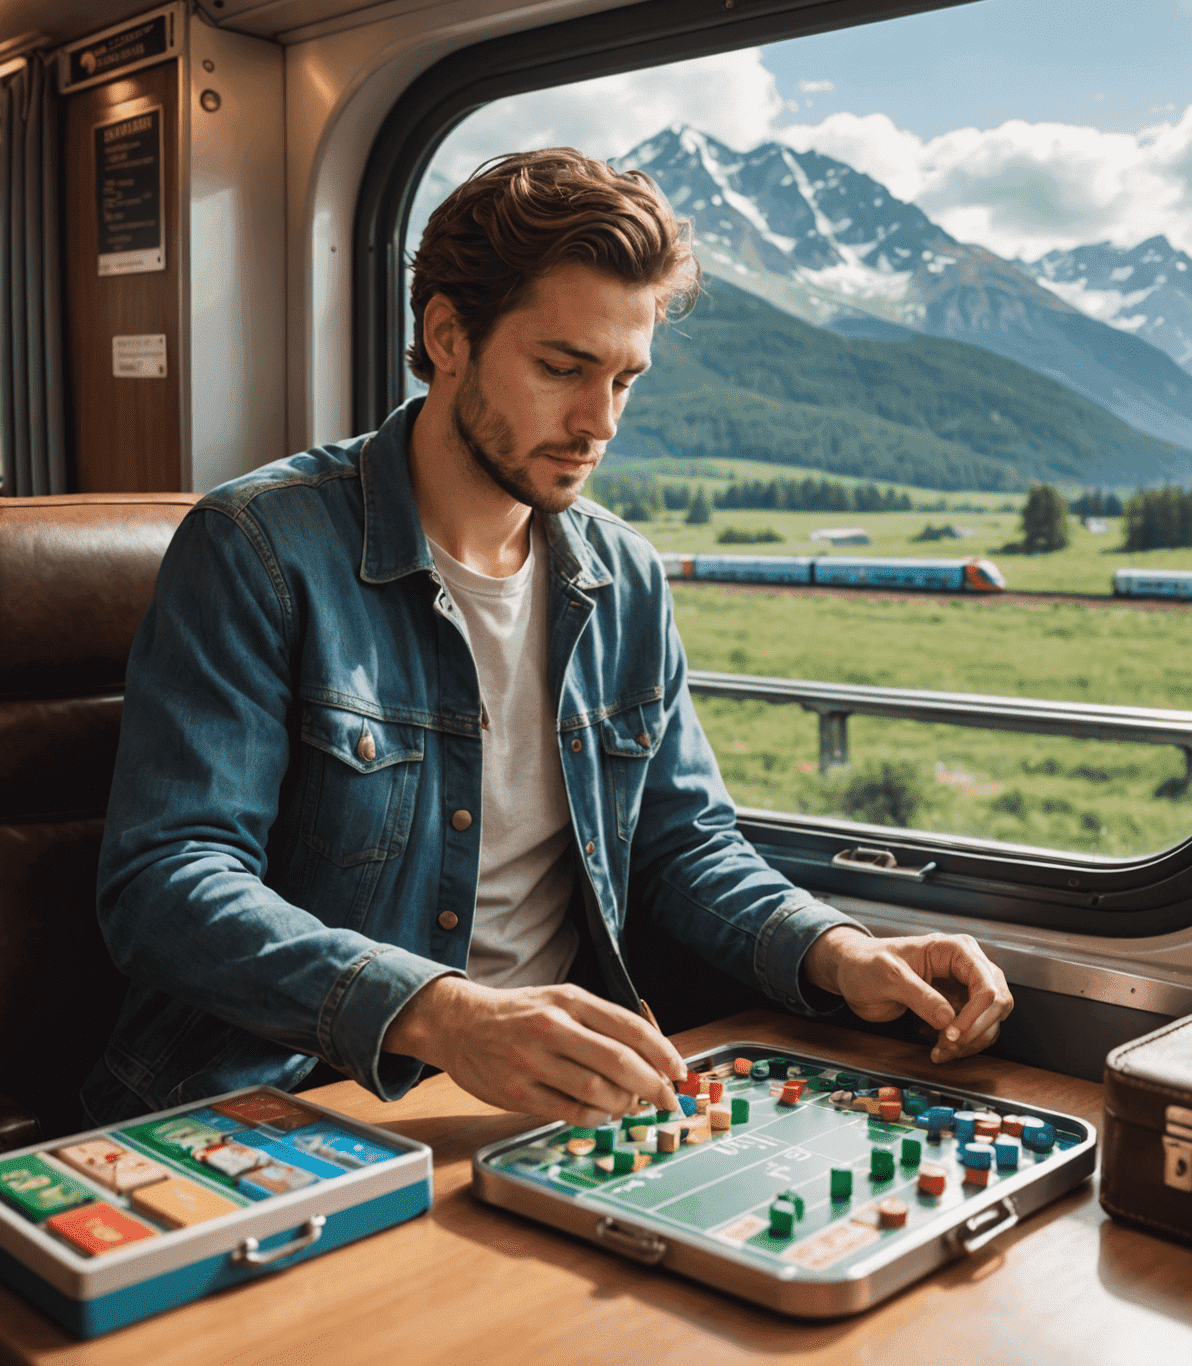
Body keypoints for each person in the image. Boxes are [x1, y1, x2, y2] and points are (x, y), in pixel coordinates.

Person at [83, 149, 1013, 1128]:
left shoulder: (626, 582)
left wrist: (842, 951)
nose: (597, 423)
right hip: (283, 1098)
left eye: (624, 379)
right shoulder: (258, 553)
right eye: (563, 369)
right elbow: (167, 885)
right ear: (447, 334)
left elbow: (682, 845)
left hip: (548, 1104)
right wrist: (443, 1017)